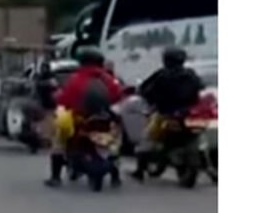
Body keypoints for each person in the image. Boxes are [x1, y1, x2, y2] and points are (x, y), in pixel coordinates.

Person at [45, 47, 123, 187]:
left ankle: (55, 177)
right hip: (104, 118)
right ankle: (115, 177)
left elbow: (64, 99)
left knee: (59, 140)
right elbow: (117, 96)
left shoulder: (76, 79)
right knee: (114, 143)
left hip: (81, 118)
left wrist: (59, 100)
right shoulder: (109, 79)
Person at [130, 46, 204, 182]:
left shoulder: (162, 75)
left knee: (146, 141)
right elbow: (201, 88)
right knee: (197, 137)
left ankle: (139, 171)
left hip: (165, 114)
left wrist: (149, 98)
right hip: (188, 114)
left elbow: (146, 90)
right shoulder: (191, 74)